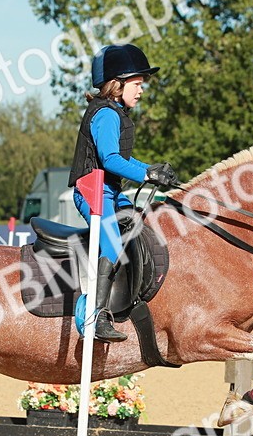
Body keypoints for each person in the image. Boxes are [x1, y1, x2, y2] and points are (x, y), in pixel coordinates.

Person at [69, 43, 179, 343]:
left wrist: (153, 169)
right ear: (117, 84)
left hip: (110, 191)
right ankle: (96, 315)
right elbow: (110, 160)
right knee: (114, 246)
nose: (141, 90)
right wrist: (146, 173)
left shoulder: (114, 112)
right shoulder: (106, 115)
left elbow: (122, 161)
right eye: (137, 84)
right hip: (92, 191)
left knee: (143, 229)